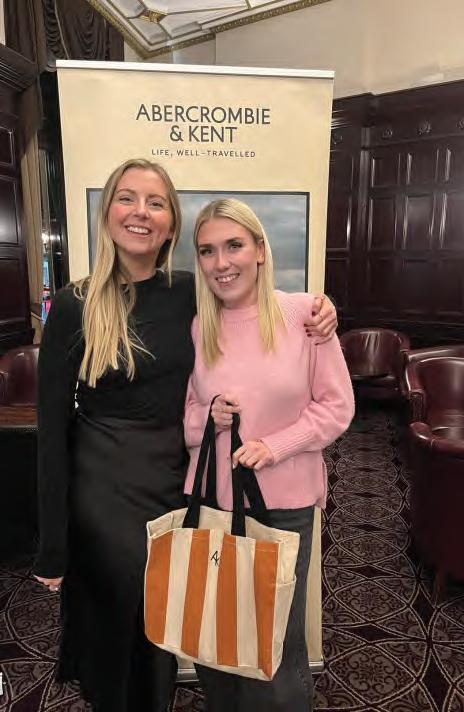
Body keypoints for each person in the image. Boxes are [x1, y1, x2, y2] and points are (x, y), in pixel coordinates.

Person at [32, 158, 338, 712]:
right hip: (105, 488)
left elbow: (256, 314)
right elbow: (51, 431)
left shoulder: (191, 294)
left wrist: (320, 309)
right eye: (127, 198)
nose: (140, 213)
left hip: (184, 481)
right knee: (119, 621)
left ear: (171, 222)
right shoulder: (75, 304)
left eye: (156, 203)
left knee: (172, 625)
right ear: (108, 213)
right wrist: (53, 544)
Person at [184, 198, 355, 712]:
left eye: (234, 245)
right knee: (215, 634)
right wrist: (209, 416)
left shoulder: (305, 314)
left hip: (282, 508)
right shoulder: (201, 325)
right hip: (213, 503)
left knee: (273, 642)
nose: (221, 262)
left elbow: (337, 407)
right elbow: (189, 413)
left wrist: (274, 446)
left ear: (260, 249)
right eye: (207, 251)